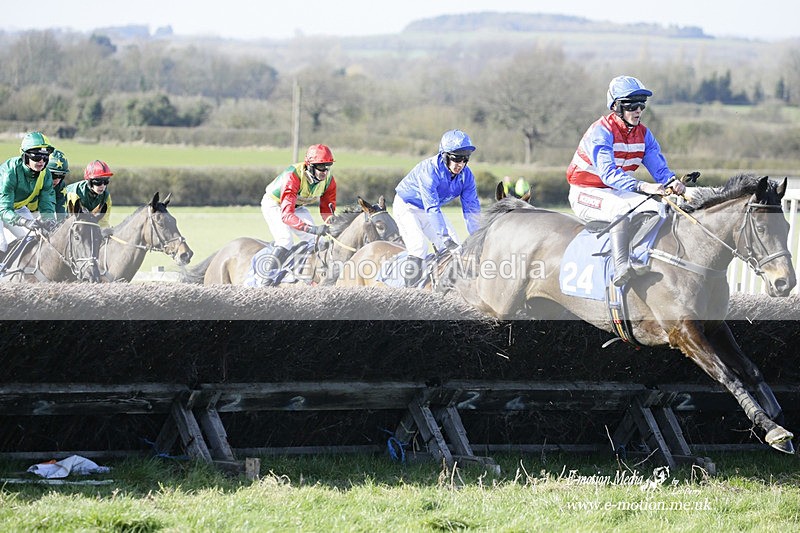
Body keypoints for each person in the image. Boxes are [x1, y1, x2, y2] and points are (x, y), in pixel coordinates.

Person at [566, 75, 686, 287]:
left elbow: (659, 169)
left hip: (614, 190)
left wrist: (671, 183)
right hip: (585, 191)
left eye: (642, 105)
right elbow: (608, 174)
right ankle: (621, 265)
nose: (638, 110)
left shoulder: (644, 134)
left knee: (656, 208)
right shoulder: (600, 132)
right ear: (616, 106)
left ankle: (640, 256)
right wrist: (643, 186)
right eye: (631, 105)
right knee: (620, 207)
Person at [393, 129, 481, 287]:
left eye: (465, 159)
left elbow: (471, 209)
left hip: (429, 210)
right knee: (419, 246)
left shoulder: (467, 176)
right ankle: (408, 296)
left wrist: (478, 236)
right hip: (407, 206)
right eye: (456, 158)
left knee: (456, 247)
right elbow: (432, 208)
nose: (460, 164)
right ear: (445, 155)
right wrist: (445, 239)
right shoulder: (429, 171)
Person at [259, 144, 337, 274]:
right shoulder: (293, 176)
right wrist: (311, 228)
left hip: (298, 207)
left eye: (328, 166)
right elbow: (287, 215)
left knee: (319, 242)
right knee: (285, 240)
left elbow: (327, 209)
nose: (325, 171)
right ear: (310, 166)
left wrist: (333, 223)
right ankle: (265, 277)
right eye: (321, 166)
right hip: (275, 205)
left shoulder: (329, 181)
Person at [0, 131, 57, 255]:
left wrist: (50, 220)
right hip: (3, 208)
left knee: (36, 239)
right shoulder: (10, 172)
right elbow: (4, 210)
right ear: (25, 156)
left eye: (45, 157)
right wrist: (25, 222)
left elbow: (47, 204)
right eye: (36, 157)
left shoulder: (45, 174)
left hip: (17, 208)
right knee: (1, 244)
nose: (41, 161)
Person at [65, 160, 114, 227]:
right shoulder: (75, 193)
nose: (102, 186)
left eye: (106, 182)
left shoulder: (106, 197)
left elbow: (103, 222)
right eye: (98, 182)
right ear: (89, 181)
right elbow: (71, 220)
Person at [46, 149, 70, 218]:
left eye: (61, 176)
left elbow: (61, 208)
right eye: (53, 176)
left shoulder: (60, 186)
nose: (57, 181)